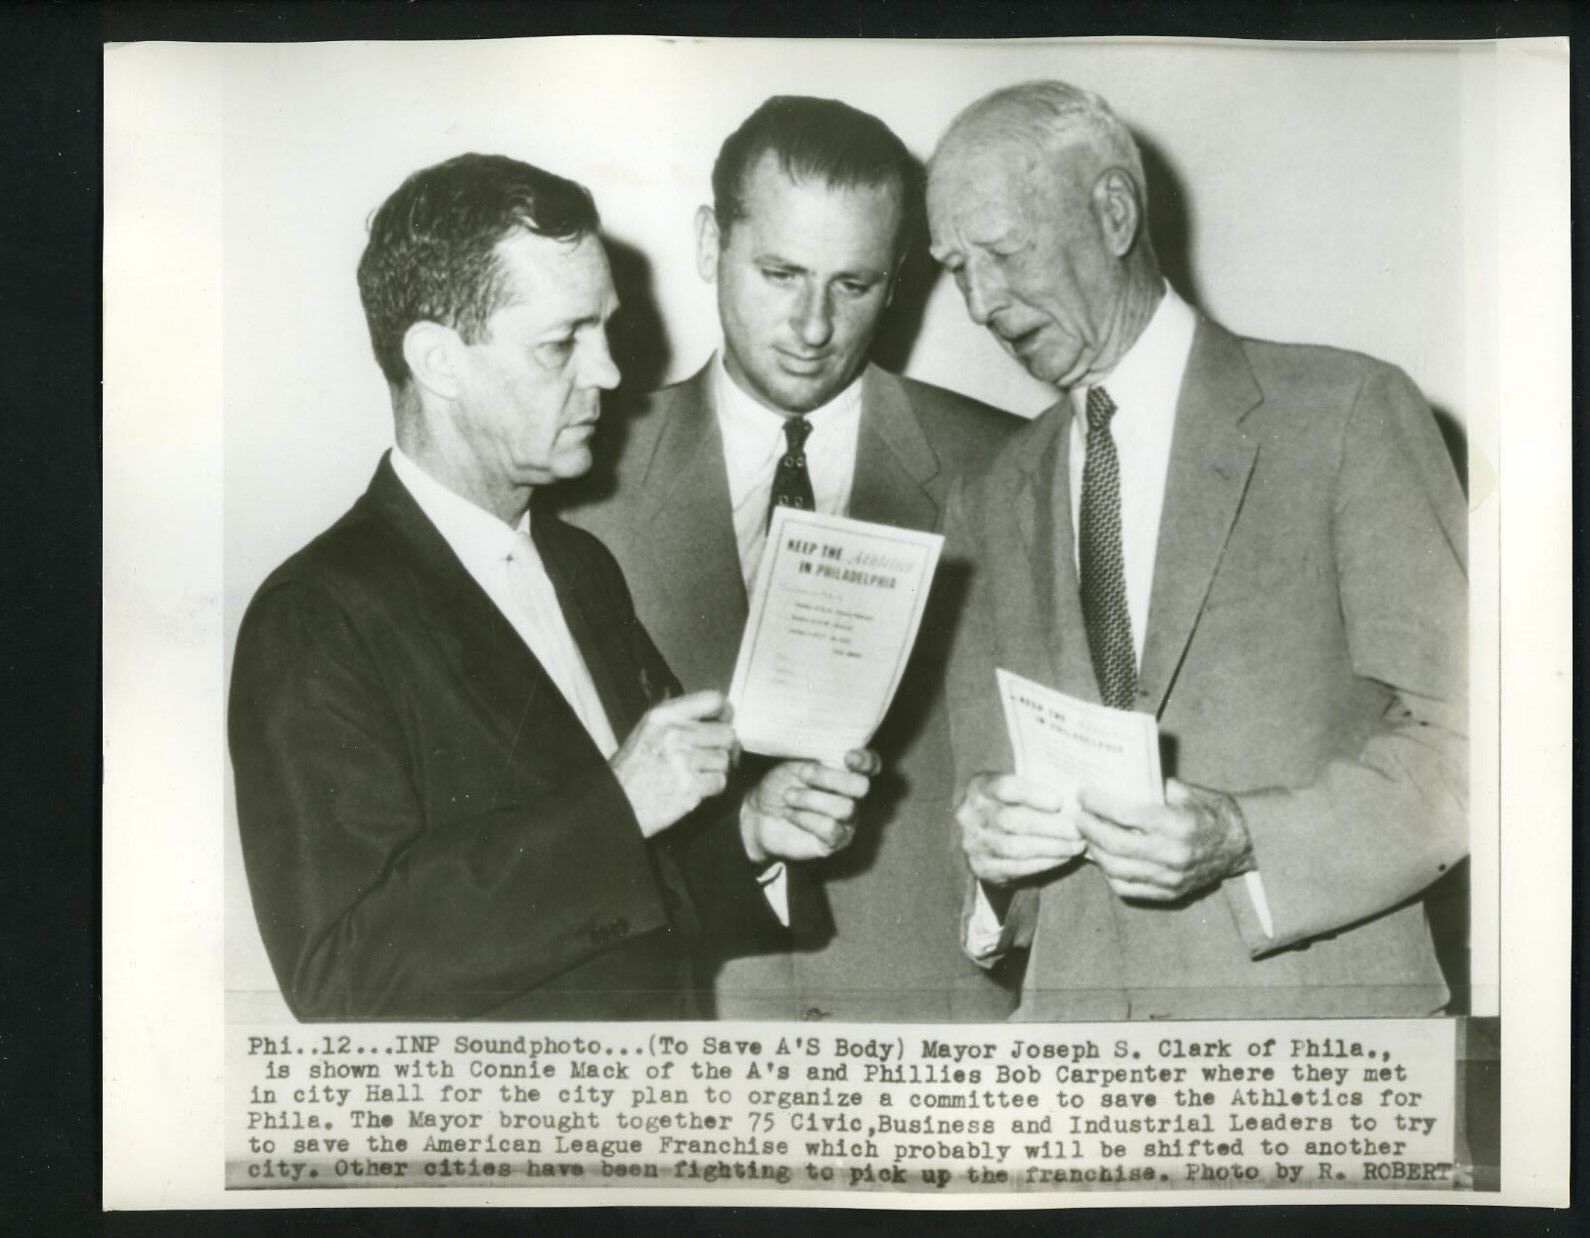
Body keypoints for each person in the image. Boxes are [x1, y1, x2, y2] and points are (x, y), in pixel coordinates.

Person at [228, 153, 876, 1022]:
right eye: (562, 341)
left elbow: (636, 907)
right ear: (438, 361)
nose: (609, 372)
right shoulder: (316, 616)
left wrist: (751, 833)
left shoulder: (579, 566)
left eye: (603, 330)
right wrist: (619, 803)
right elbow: (345, 981)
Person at [927, 82, 1468, 1020]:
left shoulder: (1345, 415)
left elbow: (1478, 750)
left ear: (1114, 212)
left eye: (1006, 253)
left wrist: (1246, 837)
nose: (980, 301)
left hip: (1318, 1063)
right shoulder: (987, 497)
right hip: (1079, 1089)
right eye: (954, 267)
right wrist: (986, 852)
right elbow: (988, 803)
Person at [563, 97, 1021, 1020]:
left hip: (937, 1044)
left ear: (899, 280)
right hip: (693, 1037)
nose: (813, 326)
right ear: (708, 246)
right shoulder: (578, 479)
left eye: (853, 285)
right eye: (780, 273)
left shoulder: (1012, 467)